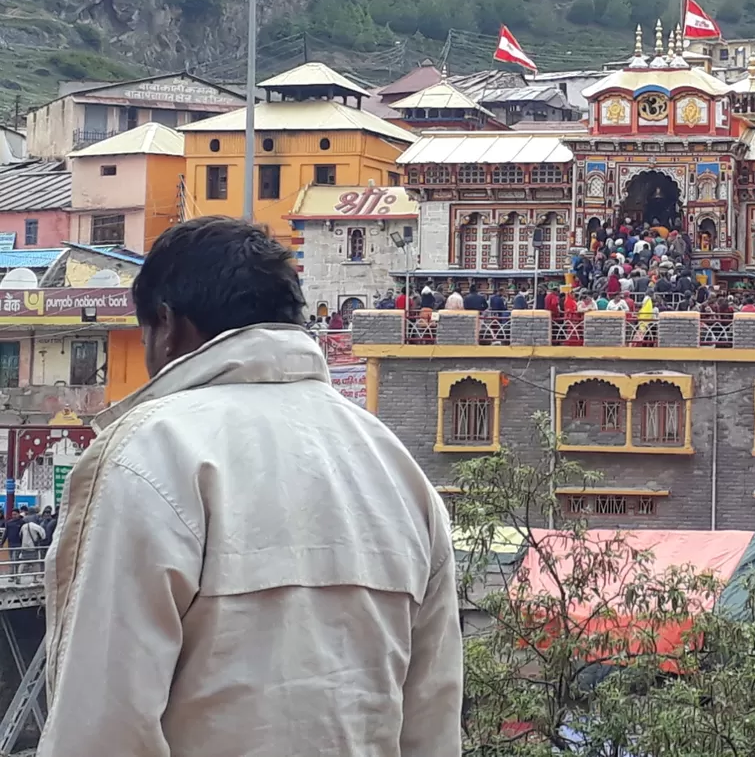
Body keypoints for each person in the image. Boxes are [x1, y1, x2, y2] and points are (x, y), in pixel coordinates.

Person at [40, 217, 462, 756]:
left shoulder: (149, 453)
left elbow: (100, 724)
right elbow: (433, 721)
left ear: (166, 326)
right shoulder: (394, 465)